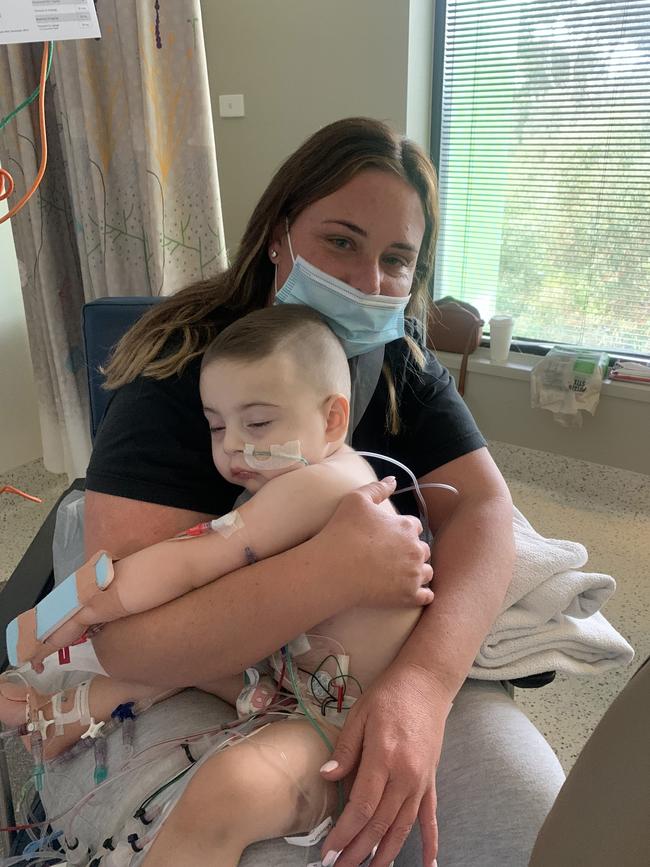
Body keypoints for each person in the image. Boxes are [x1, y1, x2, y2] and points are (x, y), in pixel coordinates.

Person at [33, 118, 565, 867]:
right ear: (280, 234)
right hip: (206, 664)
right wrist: (332, 571)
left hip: (368, 656)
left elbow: (485, 506)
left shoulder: (398, 361)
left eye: (396, 259)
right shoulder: (182, 368)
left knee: (532, 820)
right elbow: (131, 637)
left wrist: (423, 686)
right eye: (341, 241)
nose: (366, 281)